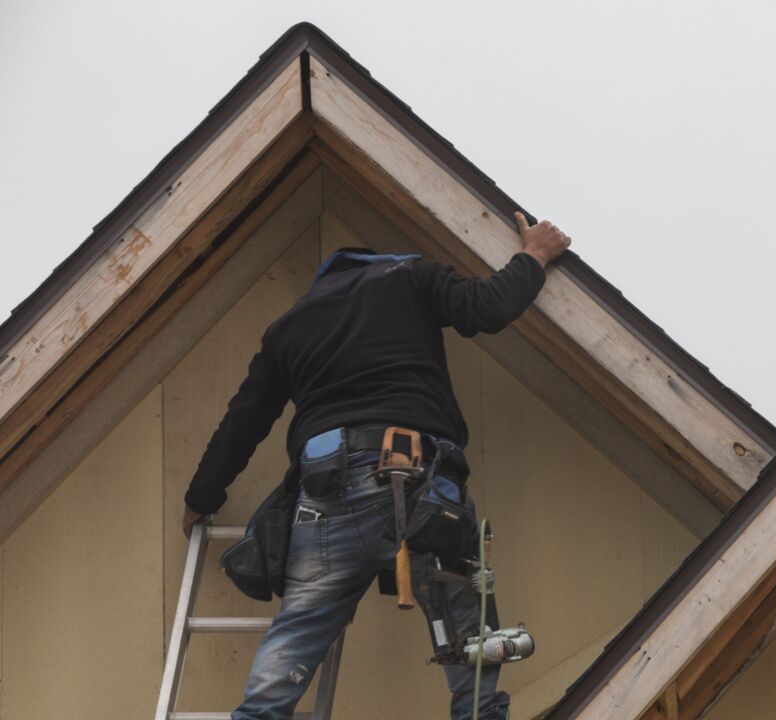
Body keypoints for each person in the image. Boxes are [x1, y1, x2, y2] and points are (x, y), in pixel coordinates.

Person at [181, 211, 571, 720]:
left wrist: (200, 497)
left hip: (323, 498)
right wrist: (534, 255)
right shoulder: (410, 276)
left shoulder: (289, 328)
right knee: (469, 657)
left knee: (291, 647)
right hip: (418, 484)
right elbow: (486, 308)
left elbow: (243, 421)